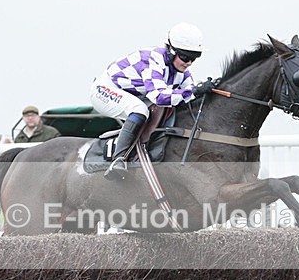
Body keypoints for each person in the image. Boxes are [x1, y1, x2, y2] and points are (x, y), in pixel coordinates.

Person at [89, 22, 209, 180]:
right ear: (171, 51)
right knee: (139, 110)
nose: (188, 63)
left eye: (194, 58)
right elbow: (159, 97)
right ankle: (119, 159)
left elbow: (189, 95)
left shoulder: (182, 72)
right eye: (185, 57)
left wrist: (205, 90)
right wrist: (192, 92)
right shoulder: (153, 60)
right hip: (105, 89)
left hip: (136, 94)